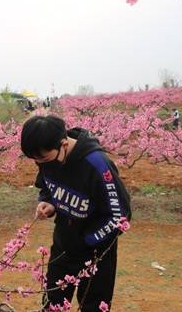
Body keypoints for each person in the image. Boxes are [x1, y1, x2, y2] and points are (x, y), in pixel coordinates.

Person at [20, 115, 131, 312]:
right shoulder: (47, 159)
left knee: (92, 308)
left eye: (43, 159)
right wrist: (48, 202)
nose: (40, 164)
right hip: (61, 248)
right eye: (35, 160)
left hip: (96, 254)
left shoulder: (97, 164)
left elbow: (119, 217)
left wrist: (85, 241)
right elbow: (46, 186)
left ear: (63, 145)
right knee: (51, 306)